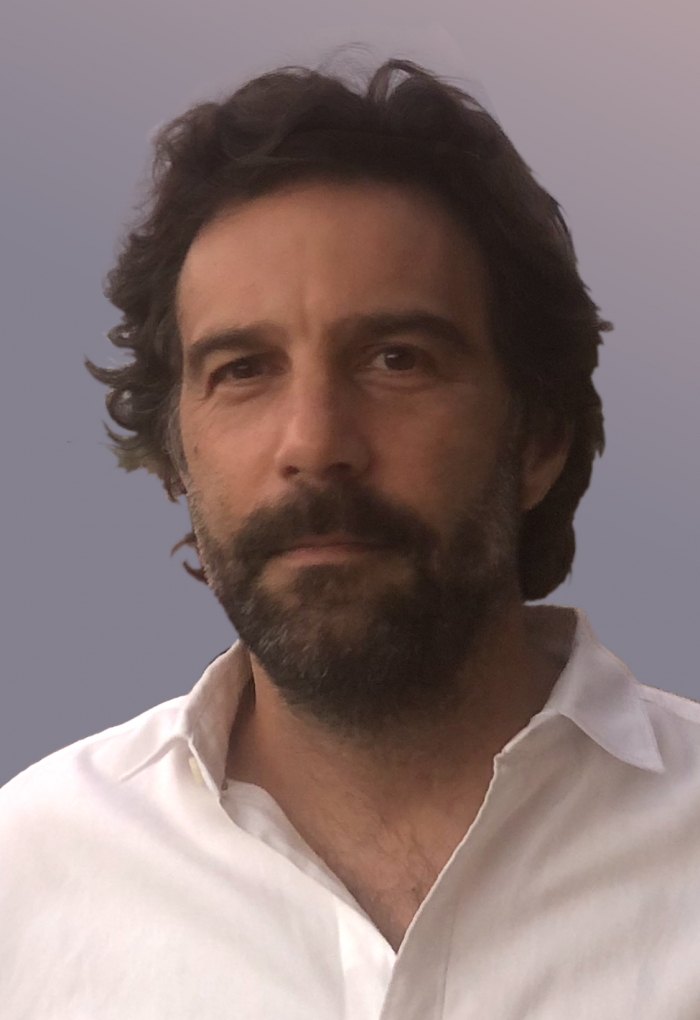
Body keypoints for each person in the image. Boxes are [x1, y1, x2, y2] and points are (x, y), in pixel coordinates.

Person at [2, 55, 700, 1020]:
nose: (314, 444)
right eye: (244, 370)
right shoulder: (25, 880)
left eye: (395, 359)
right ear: (177, 458)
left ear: (539, 439)